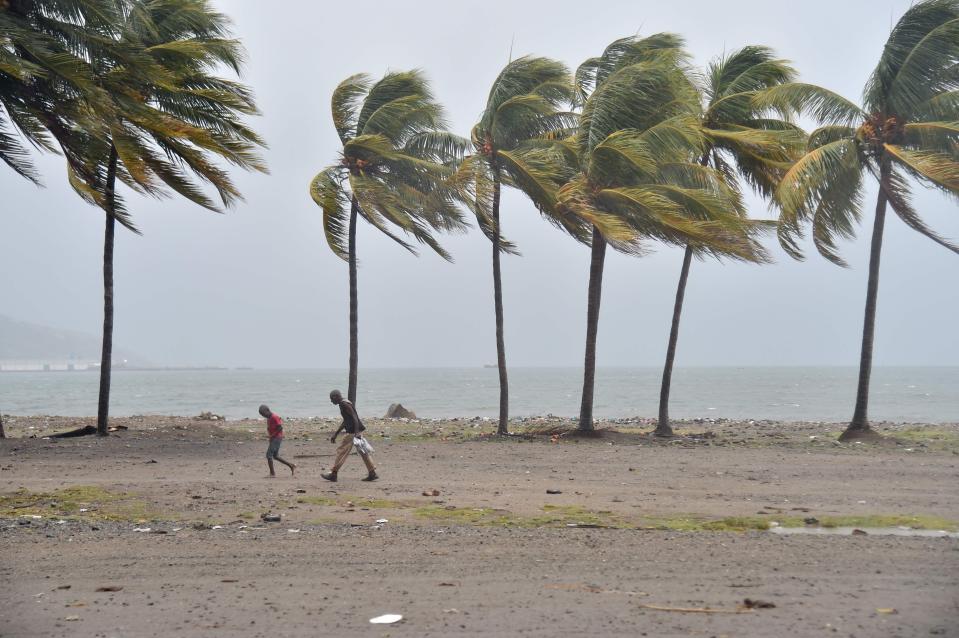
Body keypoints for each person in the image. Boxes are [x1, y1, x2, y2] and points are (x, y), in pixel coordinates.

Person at [322, 390, 377, 482]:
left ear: (336, 396)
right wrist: (336, 433)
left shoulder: (344, 404)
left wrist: (356, 433)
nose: (331, 401)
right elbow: (346, 420)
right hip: (356, 431)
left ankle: (334, 473)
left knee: (341, 451)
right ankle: (372, 473)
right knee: (363, 452)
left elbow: (355, 417)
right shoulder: (345, 403)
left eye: (332, 399)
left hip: (352, 433)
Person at [259, 404, 295, 478]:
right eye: (262, 415)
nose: (263, 416)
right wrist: (270, 437)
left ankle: (272, 474)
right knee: (275, 456)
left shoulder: (274, 417)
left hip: (277, 438)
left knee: (269, 455)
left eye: (263, 414)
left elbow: (280, 428)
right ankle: (291, 465)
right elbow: (270, 428)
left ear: (268, 411)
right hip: (273, 438)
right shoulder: (269, 418)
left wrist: (272, 436)